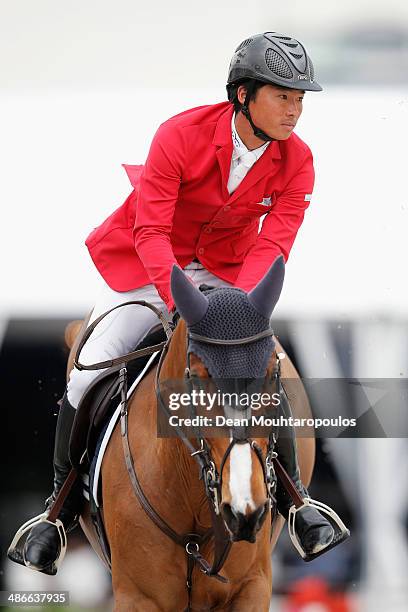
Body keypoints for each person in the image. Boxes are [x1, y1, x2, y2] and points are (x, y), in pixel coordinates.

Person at [11, 31, 348, 575]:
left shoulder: (299, 161)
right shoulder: (179, 134)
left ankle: (296, 500)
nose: (295, 109)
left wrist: (237, 313)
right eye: (283, 95)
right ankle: (59, 509)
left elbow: (273, 245)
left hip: (226, 277)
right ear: (243, 95)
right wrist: (181, 303)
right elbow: (151, 231)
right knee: (86, 369)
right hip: (146, 268)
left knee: (265, 366)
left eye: (300, 98)